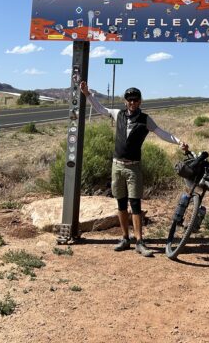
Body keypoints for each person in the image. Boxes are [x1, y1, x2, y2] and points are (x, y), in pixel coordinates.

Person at [79, 81, 189, 257]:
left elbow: (161, 133)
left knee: (135, 204)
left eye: (136, 99)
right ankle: (125, 238)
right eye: (129, 99)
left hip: (133, 168)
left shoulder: (145, 120)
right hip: (117, 166)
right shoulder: (118, 114)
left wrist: (178, 142)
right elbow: (101, 109)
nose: (132, 102)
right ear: (125, 101)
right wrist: (87, 94)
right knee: (121, 203)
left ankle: (139, 241)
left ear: (140, 101)